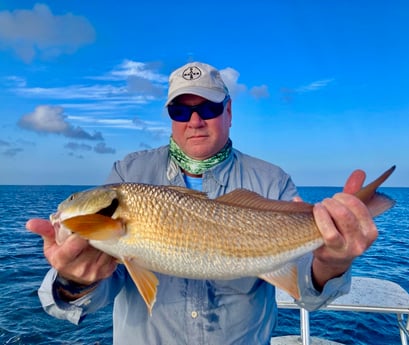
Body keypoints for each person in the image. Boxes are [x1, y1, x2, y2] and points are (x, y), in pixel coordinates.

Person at [27, 61, 378, 344]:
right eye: (181, 111)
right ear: (170, 117)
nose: (194, 121)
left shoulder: (271, 179)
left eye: (207, 108)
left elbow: (308, 292)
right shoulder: (128, 172)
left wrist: (333, 261)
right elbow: (105, 283)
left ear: (228, 111)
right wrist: (75, 281)